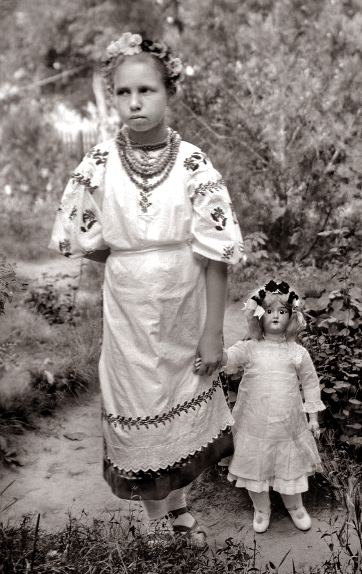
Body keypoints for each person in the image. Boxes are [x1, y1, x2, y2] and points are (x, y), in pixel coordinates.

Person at [49, 32, 244, 549]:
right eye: (123, 92)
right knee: (137, 398)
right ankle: (155, 518)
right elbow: (81, 235)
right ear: (112, 96)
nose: (135, 103)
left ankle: (178, 507)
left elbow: (217, 253)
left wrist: (212, 333)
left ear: (168, 92)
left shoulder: (193, 163)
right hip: (128, 307)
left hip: (185, 302)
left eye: (147, 91)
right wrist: (127, 258)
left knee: (180, 394)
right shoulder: (99, 162)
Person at [217, 279, 325, 533]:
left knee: (291, 466)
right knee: (255, 467)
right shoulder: (250, 348)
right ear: (258, 316)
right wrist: (216, 352)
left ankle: (295, 506)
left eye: (282, 312)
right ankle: (262, 508)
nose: (275, 316)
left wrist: (314, 418)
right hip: (253, 424)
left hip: (288, 426)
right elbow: (229, 359)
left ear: (292, 317)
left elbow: (310, 384)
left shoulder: (297, 352)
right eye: (269, 311)